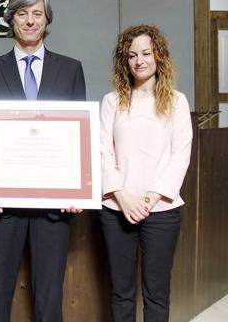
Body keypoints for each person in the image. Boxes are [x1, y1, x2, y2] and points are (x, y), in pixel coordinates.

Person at [0, 0, 86, 322]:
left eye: (37, 13)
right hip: (2, 205)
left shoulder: (70, 69)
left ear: (47, 19)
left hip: (54, 205)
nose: (30, 20)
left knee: (49, 300)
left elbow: (78, 134)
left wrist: (77, 188)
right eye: (22, 13)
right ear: (12, 20)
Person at [99, 24, 192, 322]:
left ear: (159, 56)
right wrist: (123, 197)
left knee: (156, 293)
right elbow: (103, 152)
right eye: (131, 55)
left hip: (162, 210)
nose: (139, 61)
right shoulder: (112, 101)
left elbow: (180, 155)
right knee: (121, 292)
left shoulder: (177, 101)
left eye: (146, 53)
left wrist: (150, 198)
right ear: (123, 61)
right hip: (116, 209)